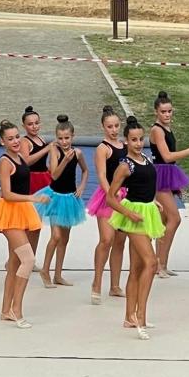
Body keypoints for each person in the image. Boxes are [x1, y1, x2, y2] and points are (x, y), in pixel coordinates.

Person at [0, 120, 49, 329]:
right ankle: (16, 309)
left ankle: (5, 310)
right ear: (2, 142)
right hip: (10, 212)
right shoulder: (5, 162)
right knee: (28, 259)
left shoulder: (20, 157)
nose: (16, 141)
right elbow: (7, 194)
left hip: (21, 211)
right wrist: (33, 199)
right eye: (10, 138)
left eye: (17, 137)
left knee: (15, 263)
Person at [105, 116, 166, 340]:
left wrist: (153, 201)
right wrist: (129, 213)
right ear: (126, 141)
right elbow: (111, 198)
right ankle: (140, 315)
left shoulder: (147, 159)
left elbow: (146, 185)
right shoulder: (125, 165)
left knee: (137, 268)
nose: (138, 143)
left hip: (147, 213)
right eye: (133, 140)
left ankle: (129, 316)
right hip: (134, 218)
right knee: (152, 262)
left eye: (141, 139)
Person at [149, 90, 189, 278]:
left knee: (164, 221)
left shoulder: (167, 129)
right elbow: (167, 156)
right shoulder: (157, 130)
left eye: (169, 111)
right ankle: (159, 263)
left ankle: (160, 263)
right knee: (174, 219)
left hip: (167, 175)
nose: (167, 115)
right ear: (156, 112)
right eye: (163, 112)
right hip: (160, 175)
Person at [36, 115, 89, 288]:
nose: (64, 141)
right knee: (56, 236)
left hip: (69, 198)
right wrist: (65, 160)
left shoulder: (78, 153)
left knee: (64, 239)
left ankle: (58, 274)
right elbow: (54, 175)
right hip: (55, 197)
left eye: (67, 138)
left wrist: (81, 186)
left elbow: (86, 170)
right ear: (56, 137)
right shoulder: (54, 151)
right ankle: (45, 270)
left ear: (73, 136)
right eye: (60, 138)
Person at [89, 105, 128, 304]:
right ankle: (97, 282)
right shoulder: (103, 148)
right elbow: (102, 176)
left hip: (125, 196)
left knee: (120, 242)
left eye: (116, 126)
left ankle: (115, 285)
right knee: (106, 239)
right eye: (109, 126)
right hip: (108, 197)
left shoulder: (125, 146)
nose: (113, 130)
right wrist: (111, 195)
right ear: (103, 127)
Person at [21, 106, 54, 259]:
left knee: (37, 226)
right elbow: (26, 161)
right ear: (24, 126)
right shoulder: (25, 142)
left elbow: (42, 162)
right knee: (30, 224)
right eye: (30, 124)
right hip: (31, 181)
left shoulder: (41, 139)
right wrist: (46, 149)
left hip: (43, 179)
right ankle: (22, 257)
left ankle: (30, 257)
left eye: (36, 123)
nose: (34, 126)